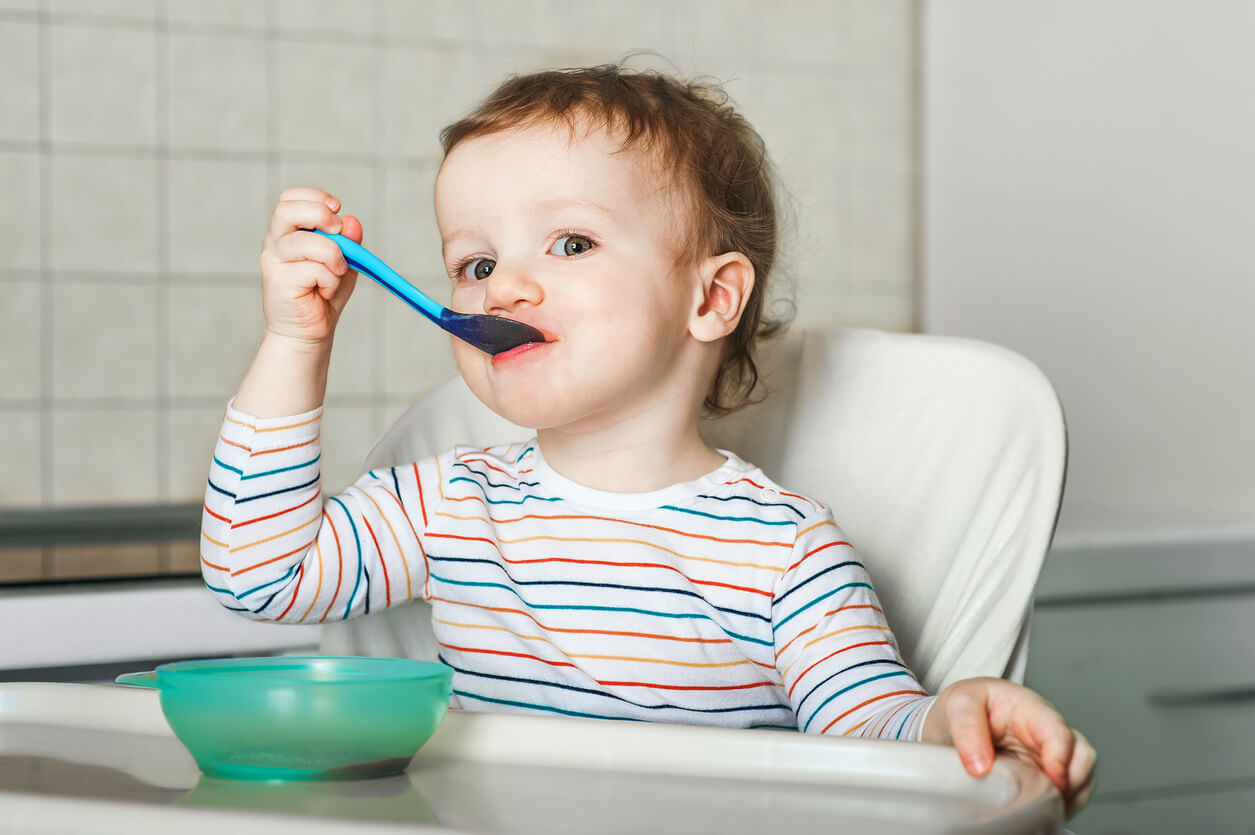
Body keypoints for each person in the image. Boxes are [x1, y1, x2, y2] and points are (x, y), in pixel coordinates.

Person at [201, 65, 1094, 814]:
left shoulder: (785, 551)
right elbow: (259, 575)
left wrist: (957, 715)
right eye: (474, 263)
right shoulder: (445, 505)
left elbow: (869, 727)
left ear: (710, 299)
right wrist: (296, 341)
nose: (502, 285)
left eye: (571, 242)